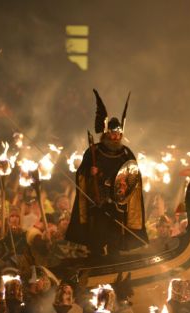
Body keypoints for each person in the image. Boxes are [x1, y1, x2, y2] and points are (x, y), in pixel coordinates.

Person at [66, 89, 148, 256]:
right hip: (97, 203)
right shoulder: (94, 151)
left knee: (115, 242)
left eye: (118, 133)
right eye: (112, 133)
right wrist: (91, 172)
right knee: (96, 239)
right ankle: (95, 262)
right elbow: (81, 175)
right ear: (106, 132)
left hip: (118, 206)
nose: (115, 136)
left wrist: (123, 187)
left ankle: (114, 263)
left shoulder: (126, 153)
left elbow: (133, 177)